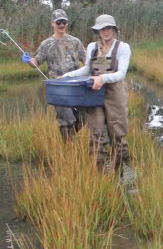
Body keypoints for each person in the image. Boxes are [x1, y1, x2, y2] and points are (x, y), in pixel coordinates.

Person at [60, 14, 132, 174]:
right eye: (102, 29)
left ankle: (122, 171)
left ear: (114, 29)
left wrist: (102, 78)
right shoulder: (92, 47)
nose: (105, 31)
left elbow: (121, 73)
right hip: (93, 94)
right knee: (96, 133)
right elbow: (87, 69)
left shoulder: (122, 47)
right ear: (97, 31)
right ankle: (99, 172)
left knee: (117, 132)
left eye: (108, 28)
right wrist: (68, 75)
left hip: (115, 94)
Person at [22, 9, 87, 141]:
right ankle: (68, 147)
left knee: (84, 116)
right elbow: (36, 62)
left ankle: (70, 137)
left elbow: (86, 61)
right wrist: (28, 60)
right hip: (58, 88)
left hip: (76, 85)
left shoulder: (75, 41)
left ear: (67, 23)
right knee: (66, 119)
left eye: (64, 22)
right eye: (58, 22)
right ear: (53, 23)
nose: (61, 25)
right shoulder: (46, 44)